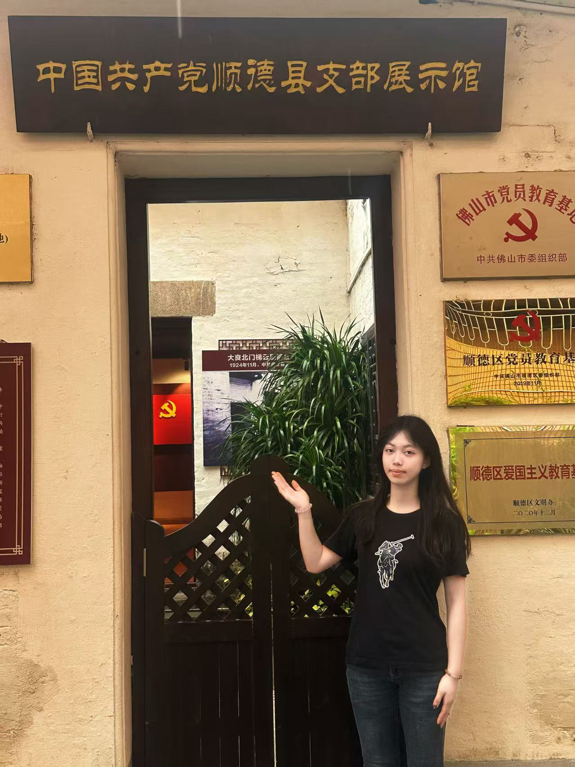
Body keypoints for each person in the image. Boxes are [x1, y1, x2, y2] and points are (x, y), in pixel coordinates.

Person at [271, 414, 470, 767]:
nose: (397, 460)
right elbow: (316, 561)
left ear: (426, 461)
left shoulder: (443, 523)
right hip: (367, 667)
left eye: (409, 451)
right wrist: (303, 511)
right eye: (390, 450)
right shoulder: (363, 517)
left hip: (424, 667)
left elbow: (456, 604)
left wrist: (452, 674)